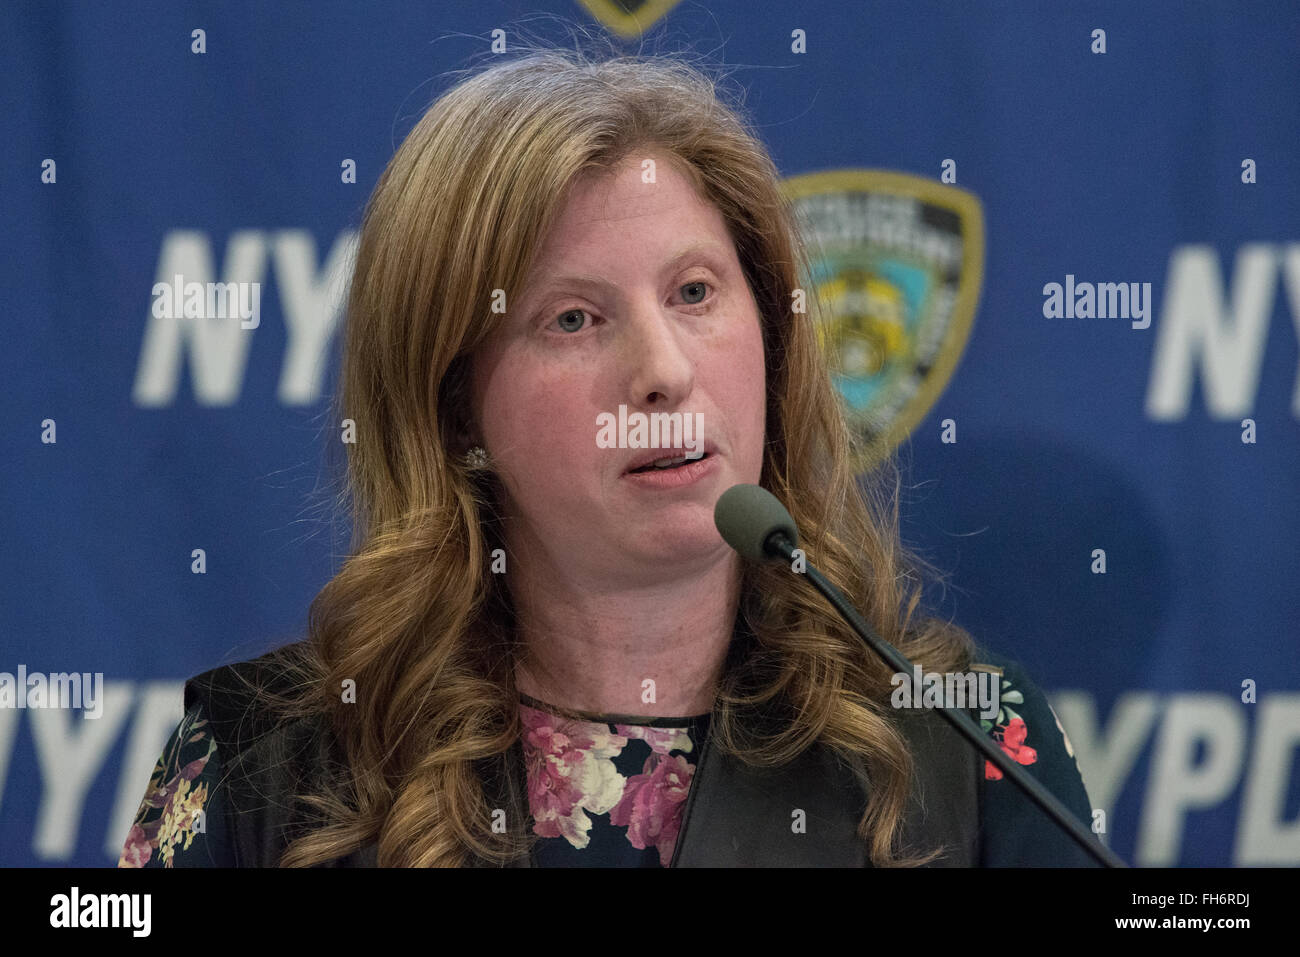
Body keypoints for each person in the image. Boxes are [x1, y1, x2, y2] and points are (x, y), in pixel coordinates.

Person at [118, 47, 1102, 868]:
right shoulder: (269, 764)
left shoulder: (963, 741)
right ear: (455, 405)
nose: (664, 371)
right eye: (574, 318)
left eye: (694, 293)